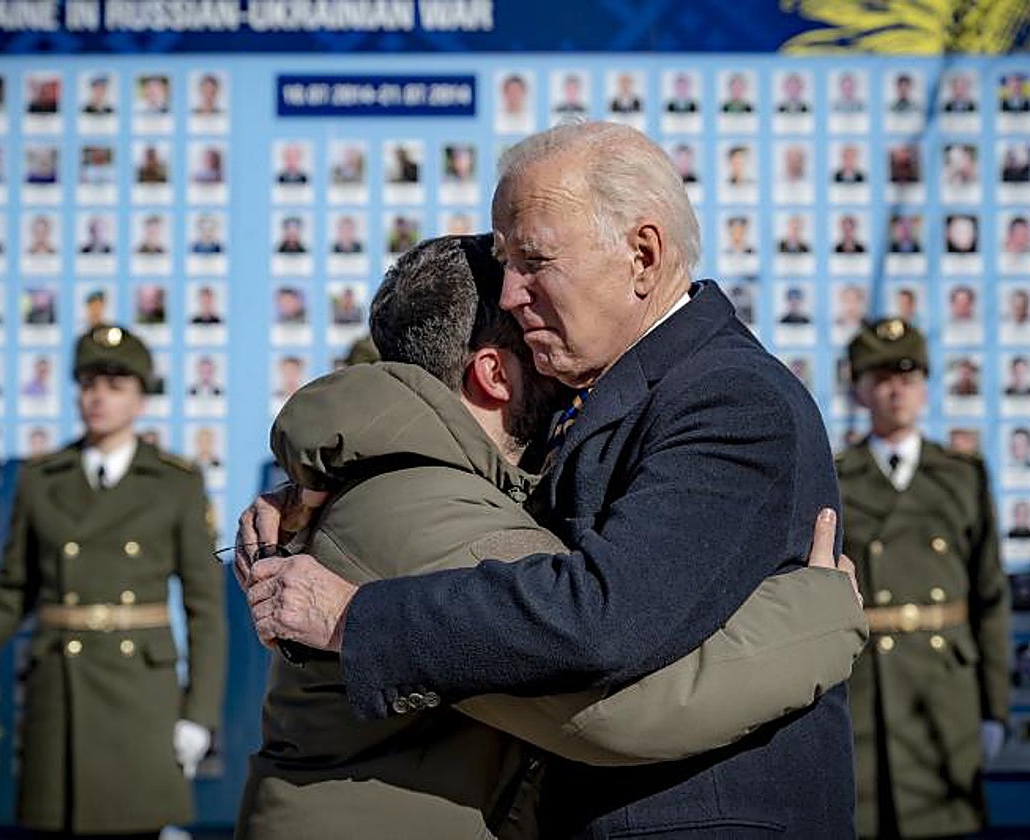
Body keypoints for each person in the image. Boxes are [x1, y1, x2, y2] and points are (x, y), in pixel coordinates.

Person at [239, 122, 857, 838]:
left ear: (643, 256)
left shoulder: (725, 398)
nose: (509, 293)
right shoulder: (605, 388)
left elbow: (605, 618)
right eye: (505, 263)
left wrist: (356, 617)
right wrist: (319, 489)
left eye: (533, 260)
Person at [0, 324, 227, 837]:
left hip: (140, 694)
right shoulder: (42, 480)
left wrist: (198, 714)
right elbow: (11, 592)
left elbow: (205, 609)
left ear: (140, 397)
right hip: (59, 687)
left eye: (115, 385)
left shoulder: (175, 482)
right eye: (89, 383)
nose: (98, 397)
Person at [838, 318, 1010, 838]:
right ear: (860, 389)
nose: (897, 391)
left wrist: (993, 710)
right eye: (883, 377)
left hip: (943, 692)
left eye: (909, 378)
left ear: (926, 387)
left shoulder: (961, 475)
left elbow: (990, 597)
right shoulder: (837, 476)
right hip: (867, 692)